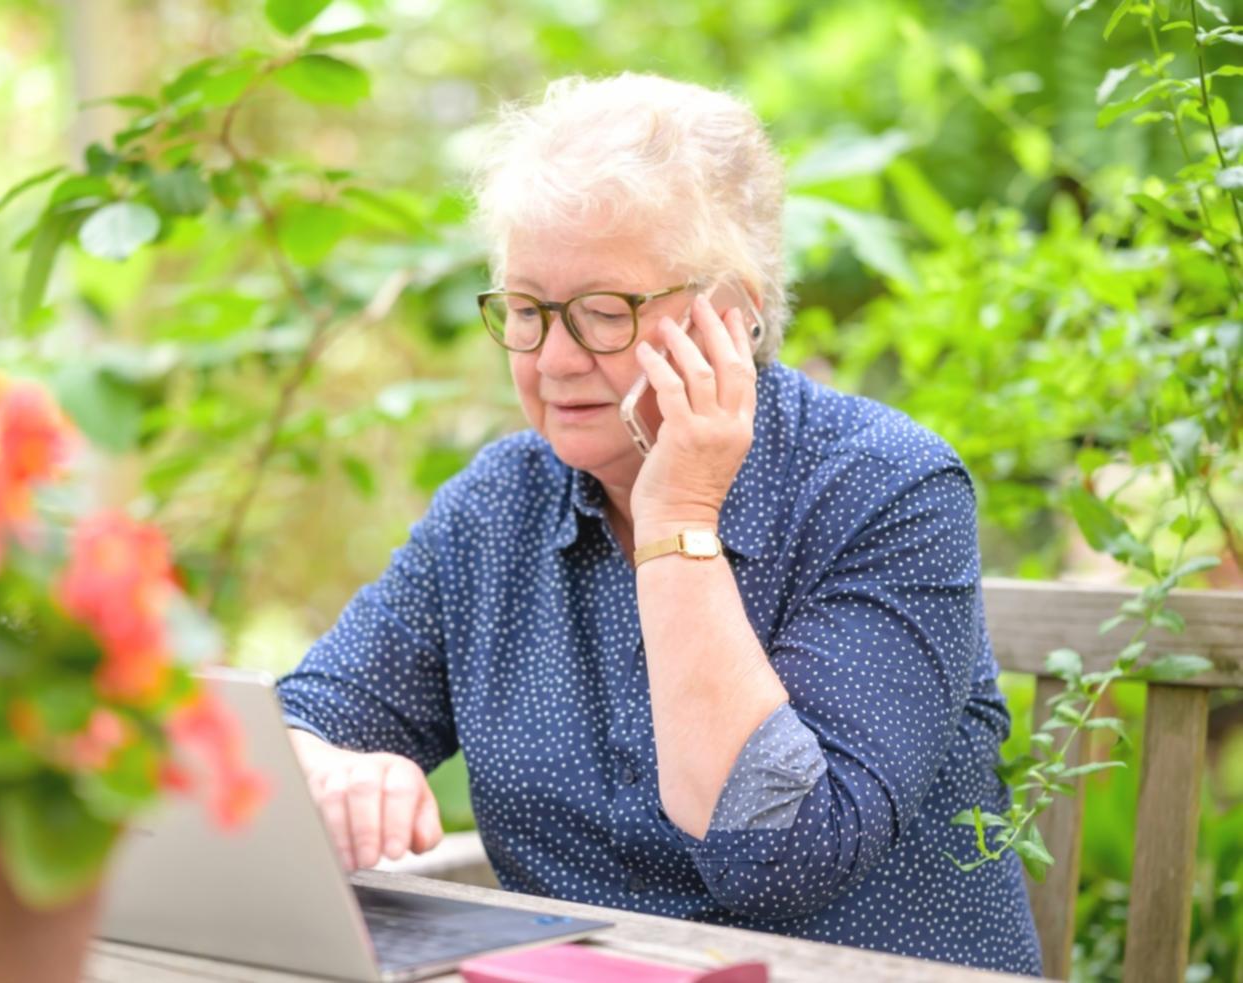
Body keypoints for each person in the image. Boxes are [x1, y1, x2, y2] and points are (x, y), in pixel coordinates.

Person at [277, 72, 1043, 975]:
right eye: (525, 311)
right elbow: (297, 723)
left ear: (730, 319)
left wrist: (678, 518)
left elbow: (780, 856)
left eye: (602, 314)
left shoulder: (884, 487)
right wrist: (330, 772)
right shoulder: (497, 505)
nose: (553, 359)